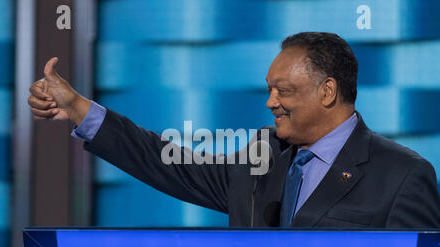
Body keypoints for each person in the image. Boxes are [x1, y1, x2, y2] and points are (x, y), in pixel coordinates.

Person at [28, 32, 440, 228]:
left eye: (284, 90)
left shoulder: (401, 175)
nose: (270, 102)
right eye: (269, 89)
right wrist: (82, 110)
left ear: (327, 91)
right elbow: (168, 163)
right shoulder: (263, 157)